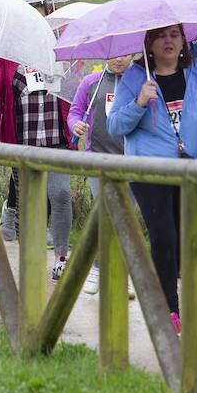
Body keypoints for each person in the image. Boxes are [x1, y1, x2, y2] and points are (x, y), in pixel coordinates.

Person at [108, 24, 197, 334]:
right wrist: (139, 102)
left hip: (189, 167)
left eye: (175, 34)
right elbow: (116, 126)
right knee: (164, 237)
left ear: (184, 41)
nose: (168, 41)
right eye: (161, 35)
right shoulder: (135, 77)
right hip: (149, 169)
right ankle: (170, 308)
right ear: (149, 43)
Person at [0, 1, 73, 280]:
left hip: (57, 138)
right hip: (23, 141)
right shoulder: (8, 55)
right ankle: (32, 259)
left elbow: (75, 85)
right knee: (29, 203)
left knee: (60, 194)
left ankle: (61, 256)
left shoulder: (60, 49)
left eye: (42, 19)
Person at [67, 54, 136, 298]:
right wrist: (75, 125)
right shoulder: (91, 82)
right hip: (98, 158)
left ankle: (122, 273)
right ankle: (97, 270)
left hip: (132, 160)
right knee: (105, 215)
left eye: (125, 54)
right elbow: (74, 112)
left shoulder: (140, 81)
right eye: (114, 55)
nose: (119, 59)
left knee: (126, 219)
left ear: (134, 54)